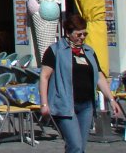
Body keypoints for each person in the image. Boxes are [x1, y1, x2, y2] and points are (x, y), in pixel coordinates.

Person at [39, 13, 122, 153]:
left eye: (85, 34)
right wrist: (44, 104)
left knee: (80, 147)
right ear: (68, 33)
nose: (82, 37)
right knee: (75, 145)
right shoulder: (55, 50)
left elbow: (99, 76)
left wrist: (111, 99)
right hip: (64, 105)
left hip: (86, 106)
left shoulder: (89, 51)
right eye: (79, 35)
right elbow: (44, 77)